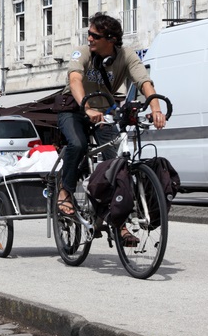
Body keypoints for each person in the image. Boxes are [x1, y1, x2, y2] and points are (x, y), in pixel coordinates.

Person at [56, 13, 166, 242]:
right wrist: (86, 108)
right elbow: (75, 80)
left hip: (104, 112)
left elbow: (144, 81)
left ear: (111, 39)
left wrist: (155, 107)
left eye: (94, 35)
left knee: (118, 163)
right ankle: (65, 192)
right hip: (74, 110)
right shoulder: (82, 52)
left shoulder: (126, 56)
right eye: (89, 34)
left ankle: (120, 223)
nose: (89, 39)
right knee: (78, 144)